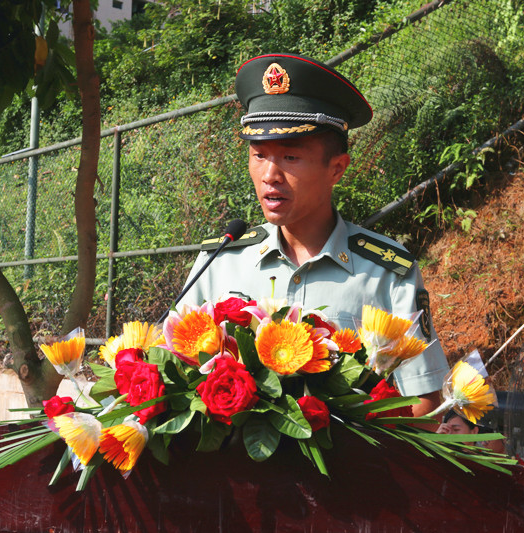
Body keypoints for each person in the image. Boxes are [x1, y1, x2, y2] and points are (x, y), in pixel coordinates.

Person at [180, 53, 449, 417]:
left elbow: (425, 403)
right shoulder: (219, 262)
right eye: (259, 154)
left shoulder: (386, 275)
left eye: (290, 158)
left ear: (336, 168)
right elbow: (173, 372)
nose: (269, 174)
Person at [436, 410, 506, 454]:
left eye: (456, 429)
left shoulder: (485, 459)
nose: (450, 434)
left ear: (474, 432)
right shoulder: (442, 456)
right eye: (446, 430)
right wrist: (434, 441)